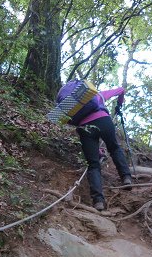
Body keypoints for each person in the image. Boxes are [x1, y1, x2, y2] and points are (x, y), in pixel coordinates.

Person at [56, 80, 133, 211]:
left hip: (84, 127)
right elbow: (121, 90)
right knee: (114, 148)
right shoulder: (100, 95)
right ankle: (126, 177)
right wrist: (119, 105)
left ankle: (98, 201)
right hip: (104, 120)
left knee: (93, 164)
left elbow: (62, 118)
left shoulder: (73, 104)